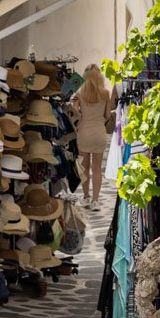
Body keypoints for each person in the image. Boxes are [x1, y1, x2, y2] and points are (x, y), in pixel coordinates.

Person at [69, 63, 113, 211]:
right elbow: (107, 115)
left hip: (84, 132)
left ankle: (86, 197)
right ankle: (96, 200)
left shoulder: (80, 94)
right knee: (97, 168)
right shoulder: (105, 93)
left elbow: (75, 115)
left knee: (84, 167)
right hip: (99, 132)